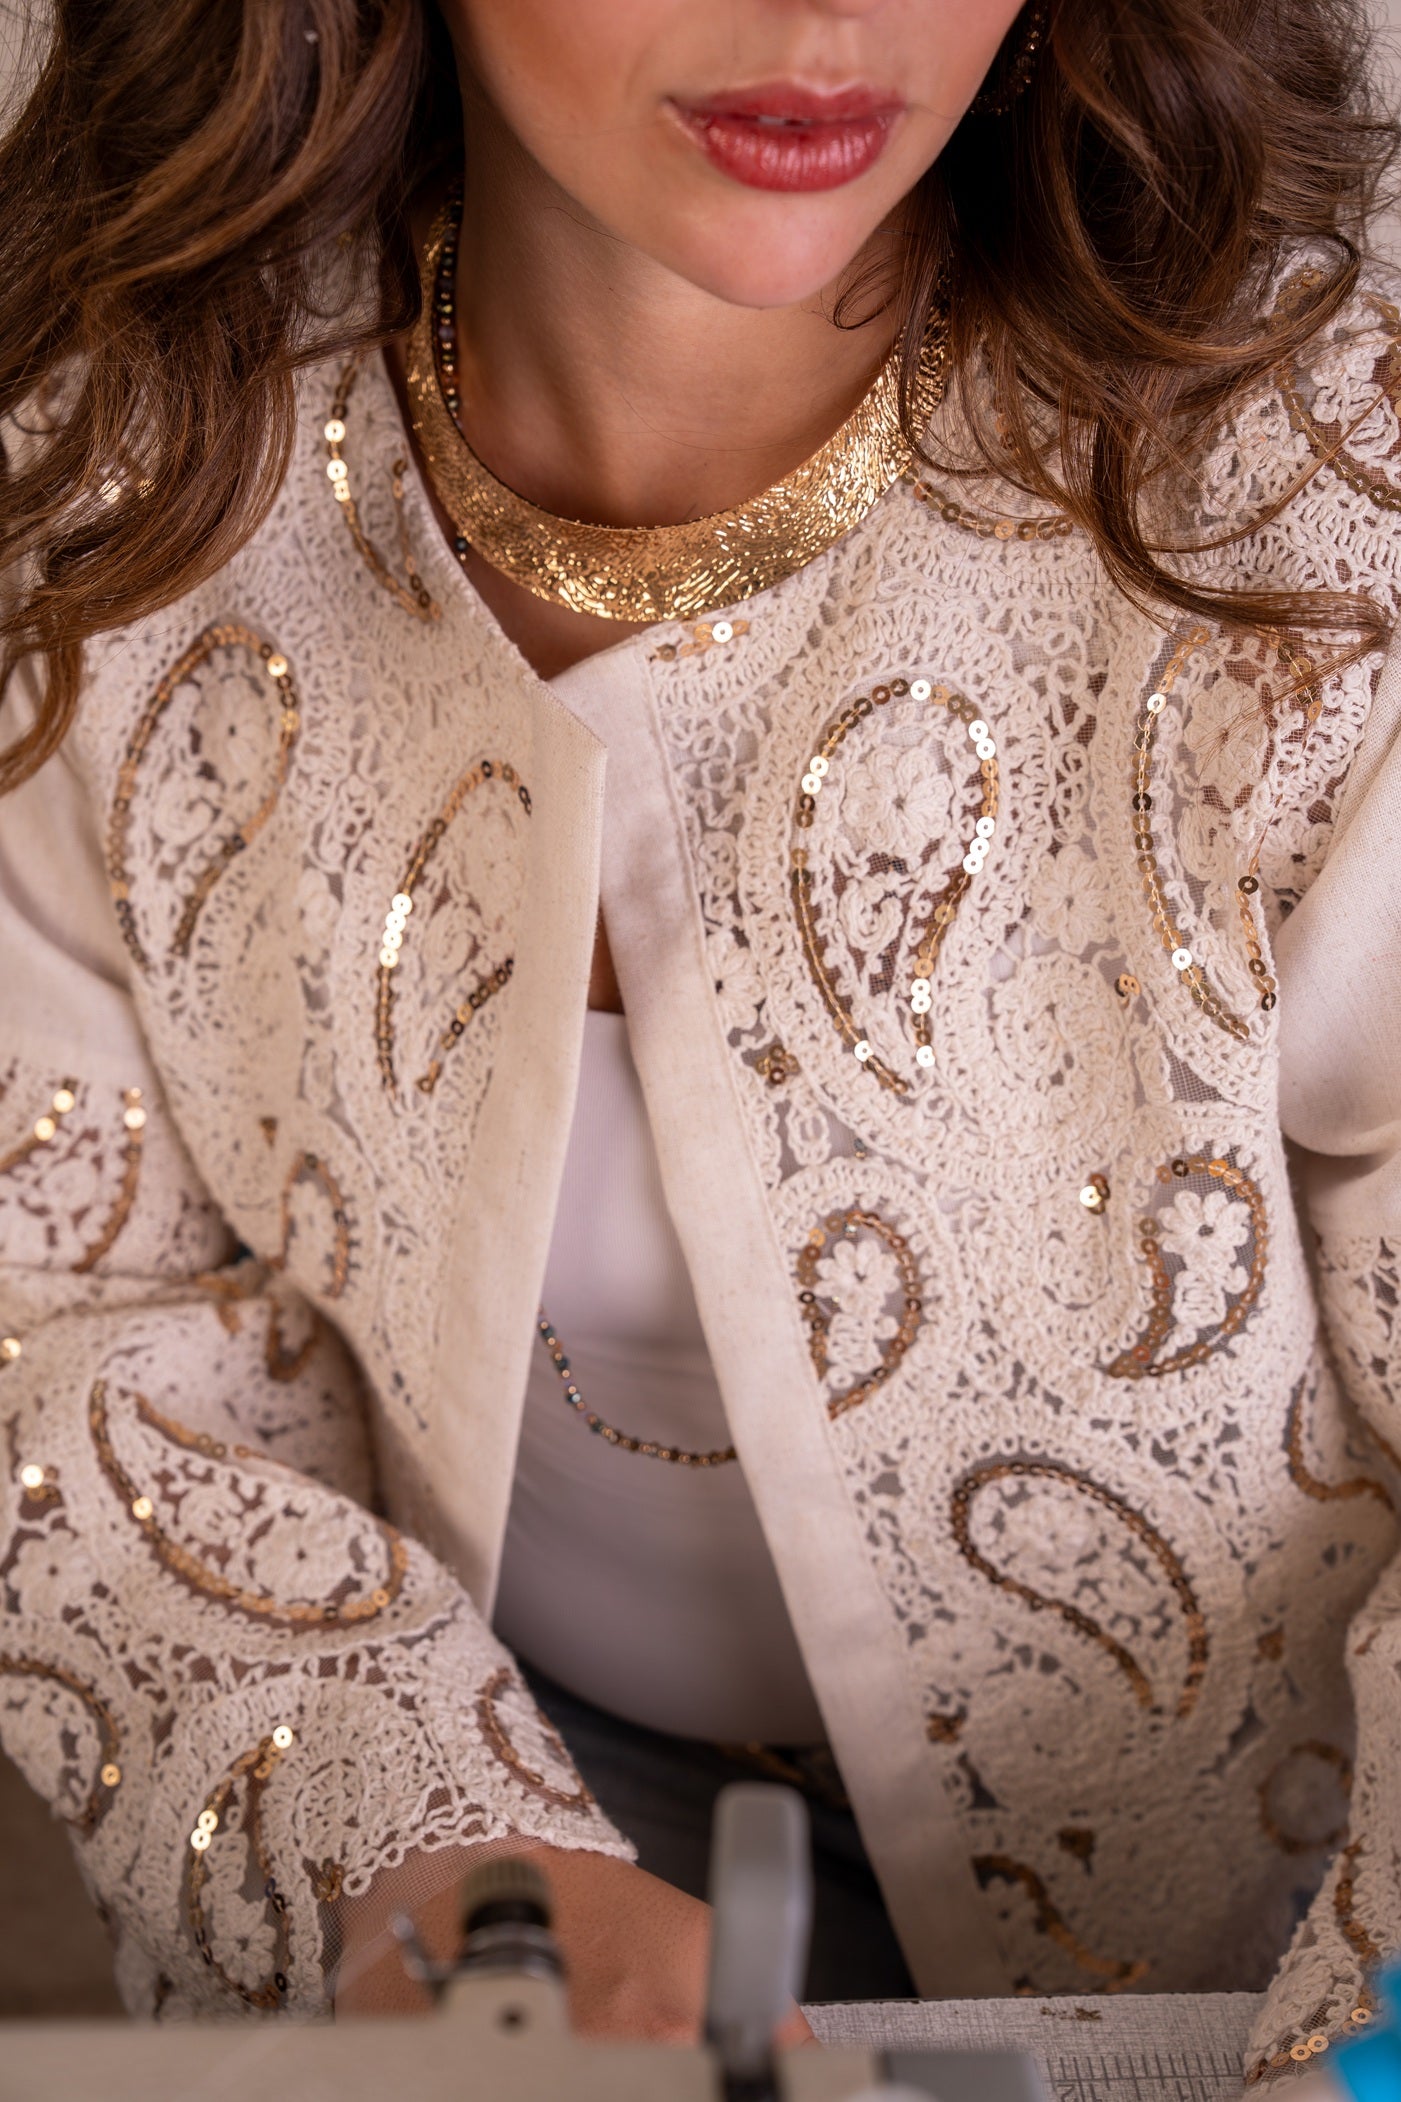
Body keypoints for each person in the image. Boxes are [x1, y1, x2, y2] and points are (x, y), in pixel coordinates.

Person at [0, 0, 1398, 2080]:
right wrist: (426, 1841)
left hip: (1288, 1912)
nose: (825, 16)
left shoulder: (1315, 507)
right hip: (494, 1842)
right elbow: (69, 1317)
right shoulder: (113, 457)